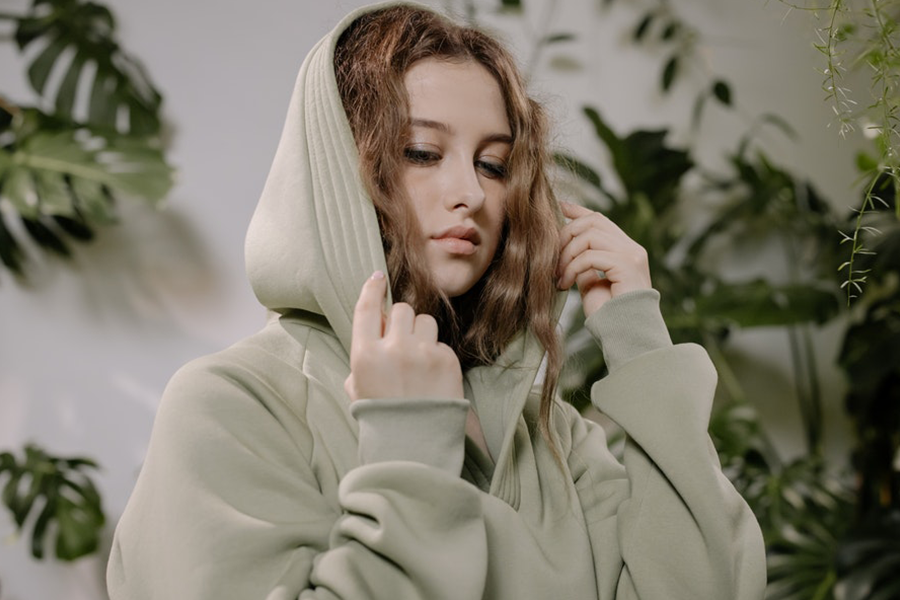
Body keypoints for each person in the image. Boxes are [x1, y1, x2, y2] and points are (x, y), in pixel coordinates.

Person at [107, 2, 767, 599]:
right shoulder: (230, 406)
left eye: (492, 164)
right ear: (339, 165)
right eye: (422, 151)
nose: (472, 194)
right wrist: (408, 446)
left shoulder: (552, 435)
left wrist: (640, 344)